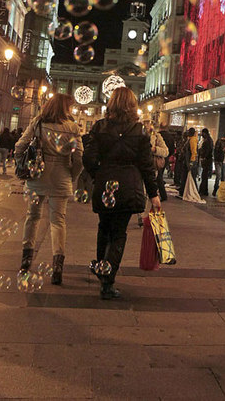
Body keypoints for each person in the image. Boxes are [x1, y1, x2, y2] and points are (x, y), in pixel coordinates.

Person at [83, 87, 160, 299]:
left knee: (103, 228)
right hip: (128, 187)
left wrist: (98, 174)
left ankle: (102, 270)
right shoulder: (140, 131)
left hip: (105, 185)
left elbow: (88, 158)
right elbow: (147, 166)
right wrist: (154, 194)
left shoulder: (100, 127)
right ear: (133, 106)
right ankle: (108, 282)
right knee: (118, 233)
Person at [15, 93, 83, 285]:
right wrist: (72, 176)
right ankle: (57, 265)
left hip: (37, 177)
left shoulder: (38, 122)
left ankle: (26, 260)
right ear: (65, 108)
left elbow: (19, 146)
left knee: (33, 217)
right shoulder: (73, 127)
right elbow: (79, 159)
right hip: (61, 177)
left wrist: (25, 166)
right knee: (58, 221)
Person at [178, 127, 198, 197]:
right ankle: (182, 191)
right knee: (185, 176)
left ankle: (192, 191)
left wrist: (191, 162)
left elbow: (193, 152)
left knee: (190, 177)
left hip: (189, 161)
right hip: (187, 161)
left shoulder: (192, 140)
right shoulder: (190, 139)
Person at [212, 132, 225, 196]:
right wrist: (223, 149)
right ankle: (215, 190)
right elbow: (216, 150)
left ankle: (221, 192)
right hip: (218, 160)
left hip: (224, 161)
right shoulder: (220, 141)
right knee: (218, 175)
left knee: (223, 177)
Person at [199, 127, 214, 196]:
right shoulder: (209, 140)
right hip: (208, 159)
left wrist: (204, 157)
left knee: (204, 175)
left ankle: (203, 190)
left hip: (207, 160)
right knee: (204, 175)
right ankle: (204, 190)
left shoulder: (207, 141)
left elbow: (207, 150)